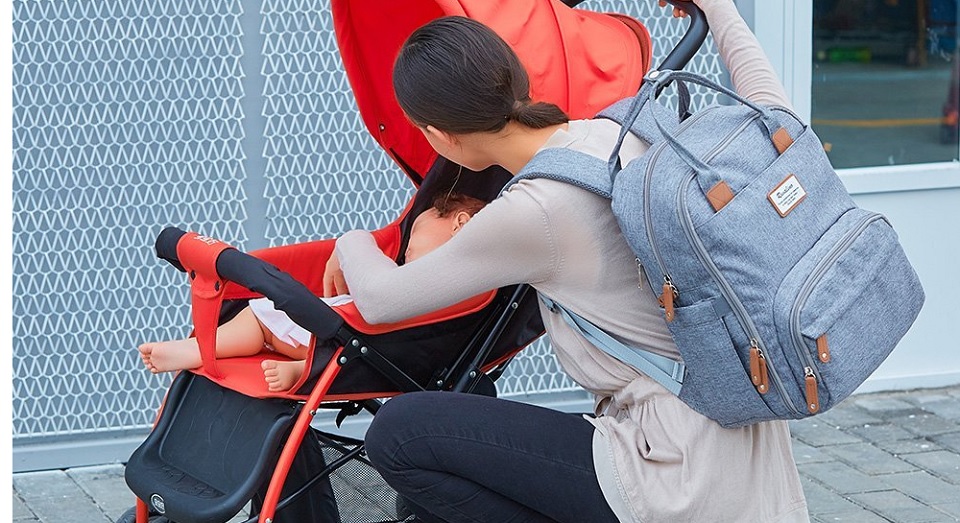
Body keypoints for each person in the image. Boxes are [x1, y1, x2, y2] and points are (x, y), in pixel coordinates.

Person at [327, 1, 810, 521]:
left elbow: (379, 302)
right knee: (465, 422)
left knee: (402, 432)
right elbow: (773, 109)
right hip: (746, 447)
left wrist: (350, 240)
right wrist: (717, 8)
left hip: (669, 471)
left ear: (441, 137)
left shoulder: (538, 209)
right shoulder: (624, 131)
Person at [138, 192, 486, 392]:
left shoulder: (445, 285)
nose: (405, 250)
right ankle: (202, 350)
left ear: (460, 224)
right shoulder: (438, 283)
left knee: (258, 319)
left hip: (341, 346)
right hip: (336, 334)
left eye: (413, 240)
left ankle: (204, 351)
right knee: (261, 317)